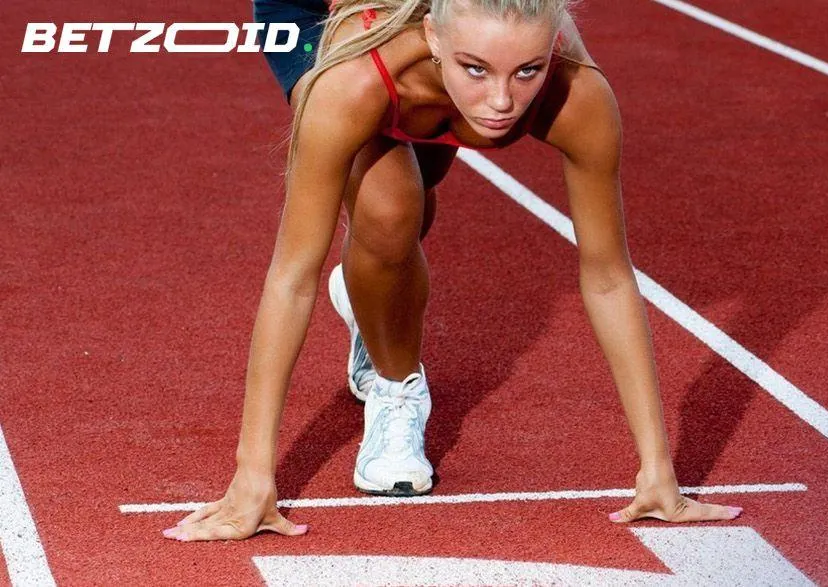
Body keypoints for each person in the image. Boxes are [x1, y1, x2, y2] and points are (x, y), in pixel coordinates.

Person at [165, 0, 741, 541]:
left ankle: (372, 296)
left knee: (415, 202)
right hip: (319, 15)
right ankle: (395, 387)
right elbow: (292, 275)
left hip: (428, 76)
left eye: (527, 71)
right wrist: (252, 479)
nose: (500, 102)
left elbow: (610, 274)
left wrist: (658, 470)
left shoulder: (577, 91)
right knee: (390, 211)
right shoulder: (351, 82)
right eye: (477, 69)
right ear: (436, 38)